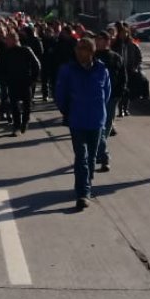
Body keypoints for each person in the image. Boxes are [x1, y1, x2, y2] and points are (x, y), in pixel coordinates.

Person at [55, 38, 110, 210]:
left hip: (96, 120)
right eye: (78, 48)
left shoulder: (101, 69)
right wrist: (67, 111)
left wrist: (98, 108)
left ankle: (86, 181)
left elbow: (107, 93)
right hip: (77, 119)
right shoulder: (68, 70)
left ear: (91, 52)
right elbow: (60, 94)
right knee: (81, 157)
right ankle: (83, 193)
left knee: (92, 157)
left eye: (83, 49)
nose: (79, 52)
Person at [92, 31, 125, 171]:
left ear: (107, 41)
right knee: (100, 126)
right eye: (96, 39)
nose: (97, 41)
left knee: (106, 125)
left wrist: (121, 92)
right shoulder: (92, 56)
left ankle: (100, 152)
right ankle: (102, 154)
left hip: (112, 96)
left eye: (100, 39)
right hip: (97, 96)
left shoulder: (115, 57)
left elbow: (122, 75)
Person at [0, 30, 42, 136]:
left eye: (8, 39)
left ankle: (25, 122)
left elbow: (36, 64)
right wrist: (4, 79)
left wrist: (33, 79)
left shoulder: (25, 50)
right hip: (12, 82)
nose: (6, 41)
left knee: (27, 104)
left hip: (25, 81)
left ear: (15, 40)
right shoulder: (7, 52)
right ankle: (16, 126)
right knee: (14, 105)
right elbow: (2, 67)